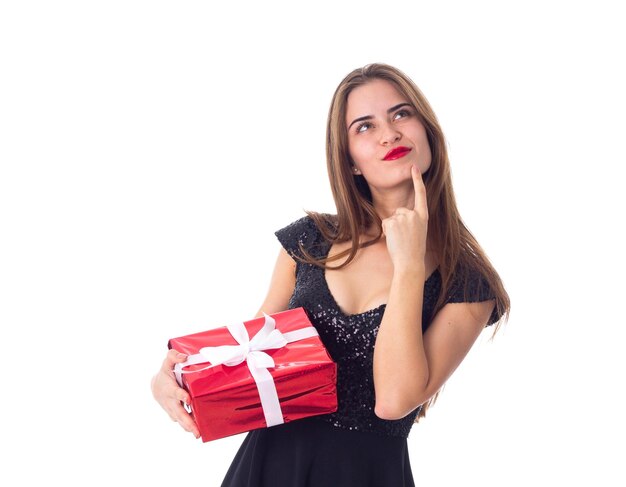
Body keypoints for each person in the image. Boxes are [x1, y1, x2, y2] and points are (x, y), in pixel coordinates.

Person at [151, 63, 510, 486]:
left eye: (401, 114)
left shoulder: (467, 282)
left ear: (427, 130)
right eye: (364, 126)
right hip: (267, 469)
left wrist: (410, 266)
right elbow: (247, 367)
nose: (388, 134)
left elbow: (393, 401)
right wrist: (172, 380)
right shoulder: (309, 242)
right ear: (351, 162)